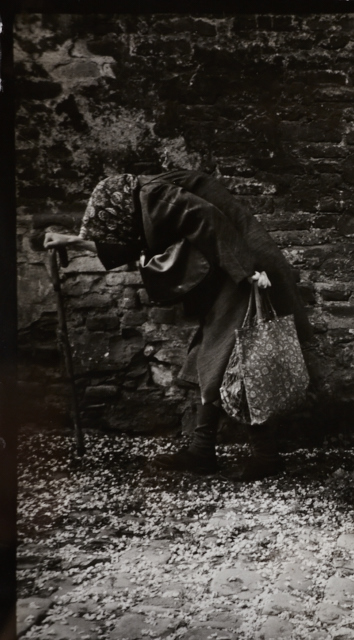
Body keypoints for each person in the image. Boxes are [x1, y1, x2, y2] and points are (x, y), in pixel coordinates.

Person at [44, 170, 313, 481]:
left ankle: (261, 454)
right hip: (232, 267)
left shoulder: (155, 196)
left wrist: (248, 270)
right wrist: (73, 241)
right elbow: (130, 245)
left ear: (119, 206)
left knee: (236, 357)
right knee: (211, 353)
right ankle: (205, 450)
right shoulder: (142, 202)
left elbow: (209, 218)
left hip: (244, 266)